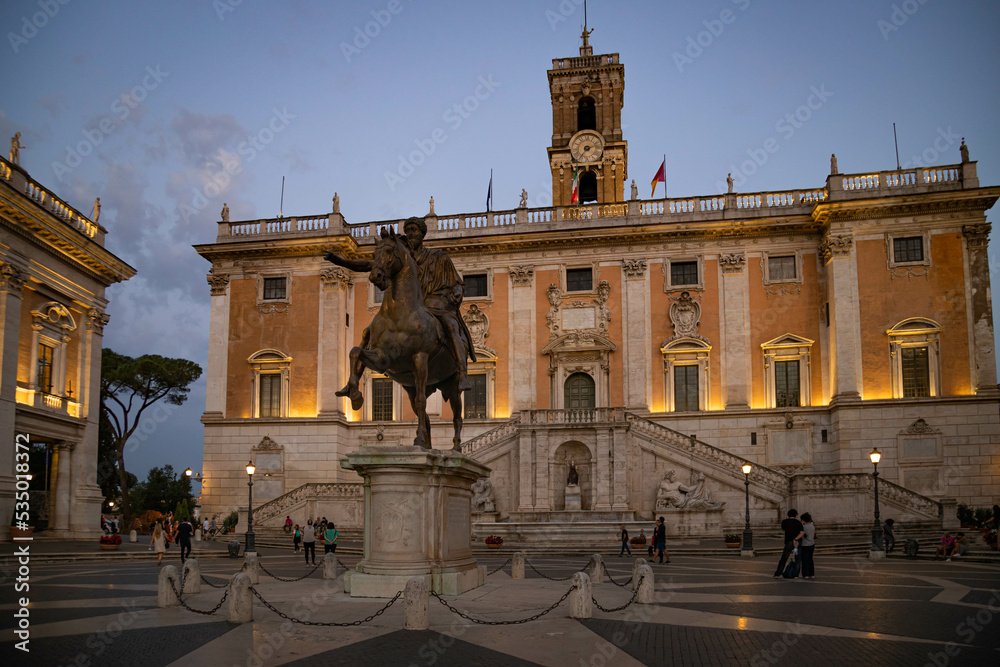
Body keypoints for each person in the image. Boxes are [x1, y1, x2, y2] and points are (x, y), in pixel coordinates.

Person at [324, 216, 476, 403]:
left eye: (415, 230)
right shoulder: (400, 258)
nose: (411, 234)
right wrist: (340, 261)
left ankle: (462, 373)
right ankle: (352, 382)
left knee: (451, 326)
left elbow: (456, 282)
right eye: (408, 230)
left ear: (422, 234)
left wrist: (457, 292)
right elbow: (369, 265)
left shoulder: (438, 257)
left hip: (437, 305)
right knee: (368, 332)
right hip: (413, 306)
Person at [773, 509, 804, 578]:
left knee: (784, 558)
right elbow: (802, 533)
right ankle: (796, 574)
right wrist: (795, 539)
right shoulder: (798, 522)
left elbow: (783, 529)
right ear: (796, 515)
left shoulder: (784, 522)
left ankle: (777, 574)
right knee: (797, 559)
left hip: (789, 543)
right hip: (796, 544)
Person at [799, 512, 816, 579]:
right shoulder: (812, 526)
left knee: (804, 560)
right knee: (810, 559)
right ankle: (811, 573)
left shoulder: (804, 527)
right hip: (812, 544)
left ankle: (805, 573)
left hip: (805, 544)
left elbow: (803, 536)